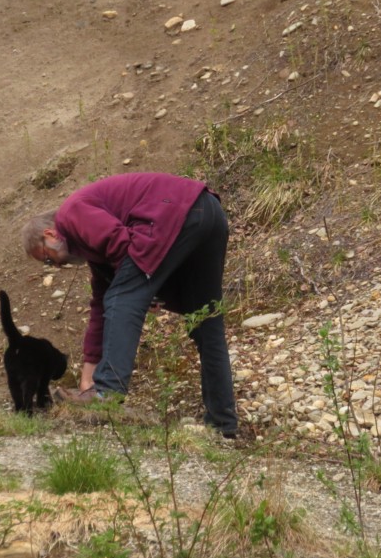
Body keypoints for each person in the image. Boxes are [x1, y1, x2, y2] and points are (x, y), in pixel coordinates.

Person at [21, 172, 238, 438]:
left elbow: (122, 245)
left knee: (121, 297)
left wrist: (143, 289)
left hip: (176, 213)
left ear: (50, 233)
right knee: (206, 324)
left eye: (47, 259)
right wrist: (87, 377)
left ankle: (108, 392)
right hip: (208, 213)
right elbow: (101, 307)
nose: (54, 266)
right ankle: (223, 424)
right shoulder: (97, 256)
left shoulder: (70, 213)